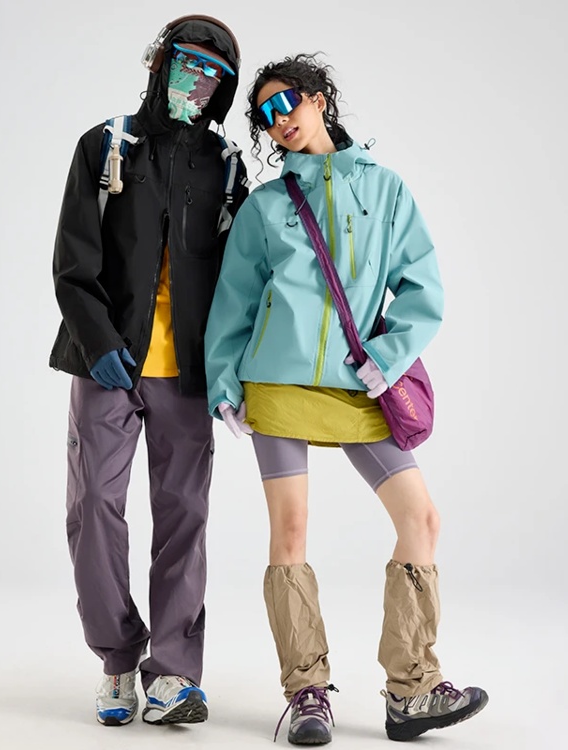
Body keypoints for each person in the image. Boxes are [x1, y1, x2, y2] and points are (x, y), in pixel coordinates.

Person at [204, 53, 488, 745]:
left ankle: (411, 689)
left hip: (361, 385)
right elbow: (234, 301)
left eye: (288, 102)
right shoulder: (266, 206)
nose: (279, 120)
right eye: (265, 115)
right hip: (277, 381)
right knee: (291, 531)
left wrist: (388, 358)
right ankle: (306, 693)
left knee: (421, 519)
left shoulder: (386, 190)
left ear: (320, 100)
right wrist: (224, 383)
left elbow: (421, 287)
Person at [49, 15, 247, 728]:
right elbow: (72, 260)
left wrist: (231, 369)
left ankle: (173, 674)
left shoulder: (226, 166)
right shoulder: (106, 145)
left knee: (185, 516)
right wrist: (98, 341)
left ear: (223, 89)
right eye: (188, 63)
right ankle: (116, 660)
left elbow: (239, 278)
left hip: (188, 373)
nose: (198, 80)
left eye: (214, 74)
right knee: (94, 510)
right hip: (106, 360)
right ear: (160, 63)